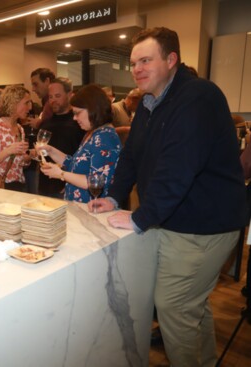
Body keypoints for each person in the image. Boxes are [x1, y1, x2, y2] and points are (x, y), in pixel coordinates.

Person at [91, 27, 247, 366]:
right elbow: (131, 156)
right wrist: (115, 197)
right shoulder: (149, 103)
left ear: (171, 59)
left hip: (204, 226)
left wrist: (140, 218)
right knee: (190, 305)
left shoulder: (198, 97)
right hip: (177, 221)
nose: (137, 69)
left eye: (146, 60)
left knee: (174, 305)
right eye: (133, 62)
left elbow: (179, 167)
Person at [39, 84, 121, 203]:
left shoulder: (105, 137)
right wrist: (51, 151)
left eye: (78, 113)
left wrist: (61, 174)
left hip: (92, 207)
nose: (74, 118)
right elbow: (73, 163)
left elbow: (96, 181)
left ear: (93, 109)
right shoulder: (93, 133)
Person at [37, 77, 85, 198]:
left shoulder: (80, 124)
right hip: (44, 186)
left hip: (67, 186)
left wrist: (70, 182)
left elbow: (82, 160)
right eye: (50, 97)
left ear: (69, 95)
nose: (53, 100)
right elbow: (41, 154)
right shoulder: (45, 124)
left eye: (57, 96)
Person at [0, 85, 30, 192]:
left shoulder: (20, 129)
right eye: (26, 103)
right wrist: (9, 150)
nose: (29, 107)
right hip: (0, 186)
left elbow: (18, 162)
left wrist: (27, 158)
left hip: (18, 185)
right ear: (14, 103)